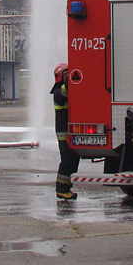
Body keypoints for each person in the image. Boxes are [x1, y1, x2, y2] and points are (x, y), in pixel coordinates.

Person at [51, 63, 79, 200]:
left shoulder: (65, 90)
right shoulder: (58, 93)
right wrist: (73, 77)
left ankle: (65, 187)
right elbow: (65, 91)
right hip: (64, 134)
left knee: (72, 160)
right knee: (67, 161)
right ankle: (61, 189)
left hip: (69, 132)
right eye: (66, 74)